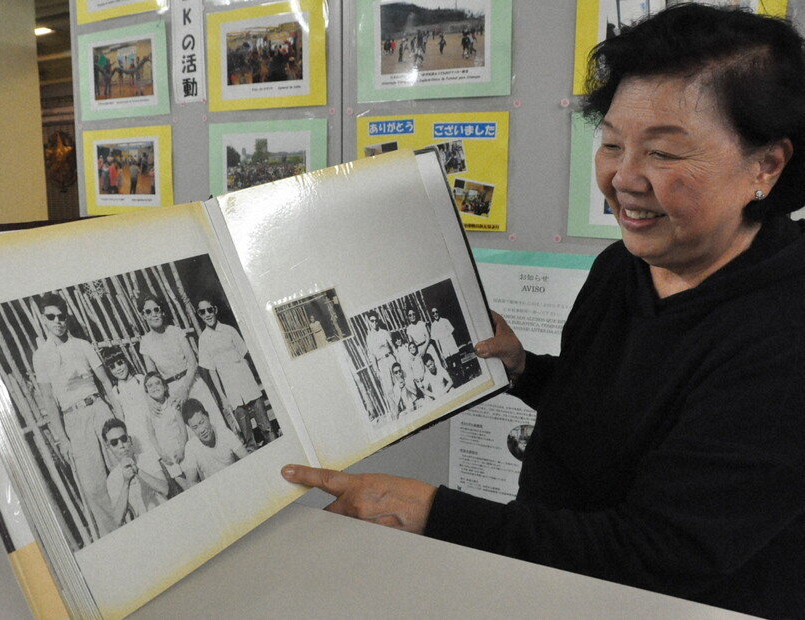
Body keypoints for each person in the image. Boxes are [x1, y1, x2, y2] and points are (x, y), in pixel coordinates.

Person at [281, 6, 805, 617]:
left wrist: (433, 512)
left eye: (663, 154)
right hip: (560, 585)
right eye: (611, 143)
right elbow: (612, 411)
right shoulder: (623, 267)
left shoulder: (786, 330)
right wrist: (525, 369)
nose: (623, 178)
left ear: (765, 165)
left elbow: (663, 551)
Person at [32, 292, 117, 539]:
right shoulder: (41, 356)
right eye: (51, 317)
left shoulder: (83, 345)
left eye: (61, 316)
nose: (57, 321)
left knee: (121, 466)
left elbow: (105, 382)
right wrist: (62, 438)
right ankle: (116, 536)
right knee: (93, 487)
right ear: (43, 319)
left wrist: (117, 411)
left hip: (98, 409)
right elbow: (48, 400)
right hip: (73, 420)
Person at [137, 292, 232, 438]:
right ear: (143, 315)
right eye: (148, 311)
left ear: (162, 311)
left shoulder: (175, 332)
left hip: (193, 382)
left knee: (214, 423)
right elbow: (151, 378)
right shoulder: (145, 343)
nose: (154, 314)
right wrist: (151, 399)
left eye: (156, 310)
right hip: (173, 392)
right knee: (193, 433)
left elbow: (192, 362)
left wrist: (185, 388)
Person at [196, 298, 277, 449]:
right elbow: (212, 371)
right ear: (199, 315)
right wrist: (223, 397)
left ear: (215, 310)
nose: (207, 314)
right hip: (231, 389)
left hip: (247, 382)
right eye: (202, 312)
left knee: (266, 425)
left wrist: (250, 379)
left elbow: (245, 356)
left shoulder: (229, 330)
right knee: (247, 436)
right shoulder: (203, 340)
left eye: (209, 310)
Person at [102, 418, 168, 525]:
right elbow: (118, 520)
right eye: (114, 442)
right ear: (109, 448)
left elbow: (165, 489)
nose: (121, 445)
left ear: (130, 440)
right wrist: (126, 483)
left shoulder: (147, 458)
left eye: (123, 439)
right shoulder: (112, 479)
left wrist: (138, 471)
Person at [181, 398, 248, 483]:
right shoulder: (191, 447)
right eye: (195, 427)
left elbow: (246, 456)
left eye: (202, 422)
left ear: (208, 417)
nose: (201, 430)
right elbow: (191, 482)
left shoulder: (223, 432)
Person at [429, 307, 463, 384]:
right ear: (432, 315)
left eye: (436, 312)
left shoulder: (445, 321)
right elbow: (436, 341)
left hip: (452, 347)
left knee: (458, 365)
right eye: (433, 313)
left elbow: (452, 334)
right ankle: (457, 382)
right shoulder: (433, 326)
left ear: (438, 312)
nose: (435, 314)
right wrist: (441, 353)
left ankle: (464, 379)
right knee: (450, 367)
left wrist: (454, 346)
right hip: (445, 350)